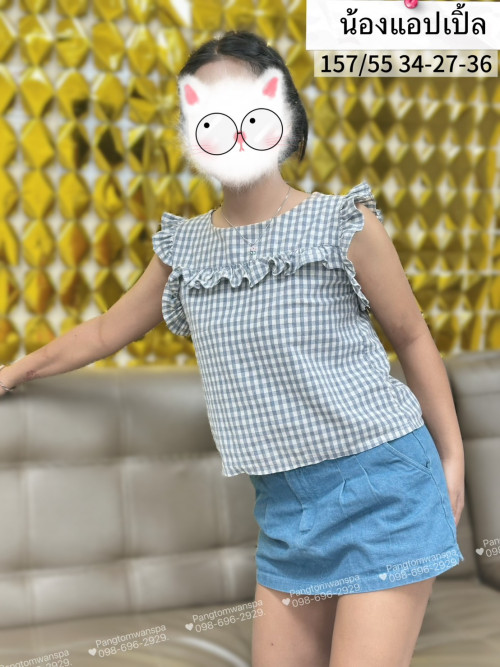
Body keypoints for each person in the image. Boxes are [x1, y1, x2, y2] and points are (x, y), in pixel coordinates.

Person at [0, 30, 465, 667]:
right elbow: (106, 331)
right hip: (286, 510)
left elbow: (412, 336)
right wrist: (14, 371)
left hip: (385, 486)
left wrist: (453, 457)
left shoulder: (341, 223)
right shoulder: (185, 249)